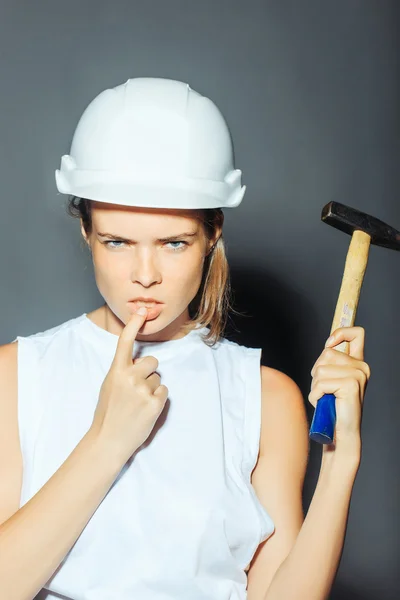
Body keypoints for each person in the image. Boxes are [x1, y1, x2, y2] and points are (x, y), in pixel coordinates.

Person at [0, 77, 370, 600]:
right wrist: (106, 441)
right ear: (85, 230)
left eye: (174, 243)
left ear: (212, 233)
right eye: (117, 241)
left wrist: (341, 460)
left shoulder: (264, 398)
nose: (144, 274)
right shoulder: (17, 377)